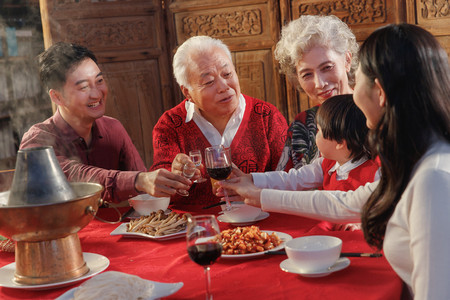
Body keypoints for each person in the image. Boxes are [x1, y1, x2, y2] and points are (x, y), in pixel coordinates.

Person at [220, 24, 450, 299]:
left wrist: (259, 194)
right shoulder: (415, 155)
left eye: (359, 77)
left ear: (379, 92)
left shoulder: (433, 178)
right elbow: (348, 202)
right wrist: (259, 194)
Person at [20, 42, 191, 203]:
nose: (97, 93)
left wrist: (172, 178)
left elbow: (145, 190)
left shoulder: (113, 128)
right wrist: (140, 180)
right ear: (57, 96)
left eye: (99, 81)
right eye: (84, 87)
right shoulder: (37, 141)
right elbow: (78, 178)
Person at [150, 35, 288, 208]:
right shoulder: (170, 125)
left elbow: (290, 181)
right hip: (198, 229)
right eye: (209, 82)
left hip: (261, 225)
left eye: (227, 74)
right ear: (187, 92)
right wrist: (175, 174)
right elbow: (160, 190)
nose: (224, 86)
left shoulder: (266, 116)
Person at [234, 94, 380, 230]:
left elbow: (381, 214)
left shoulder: (375, 173)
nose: (315, 135)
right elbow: (292, 179)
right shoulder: (325, 164)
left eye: (319, 130)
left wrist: (359, 226)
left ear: (340, 142)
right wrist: (252, 179)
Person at [274, 15, 358, 171]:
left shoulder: (374, 115)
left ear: (347, 60)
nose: (320, 83)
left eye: (327, 67)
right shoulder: (302, 126)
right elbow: (284, 184)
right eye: (307, 74)